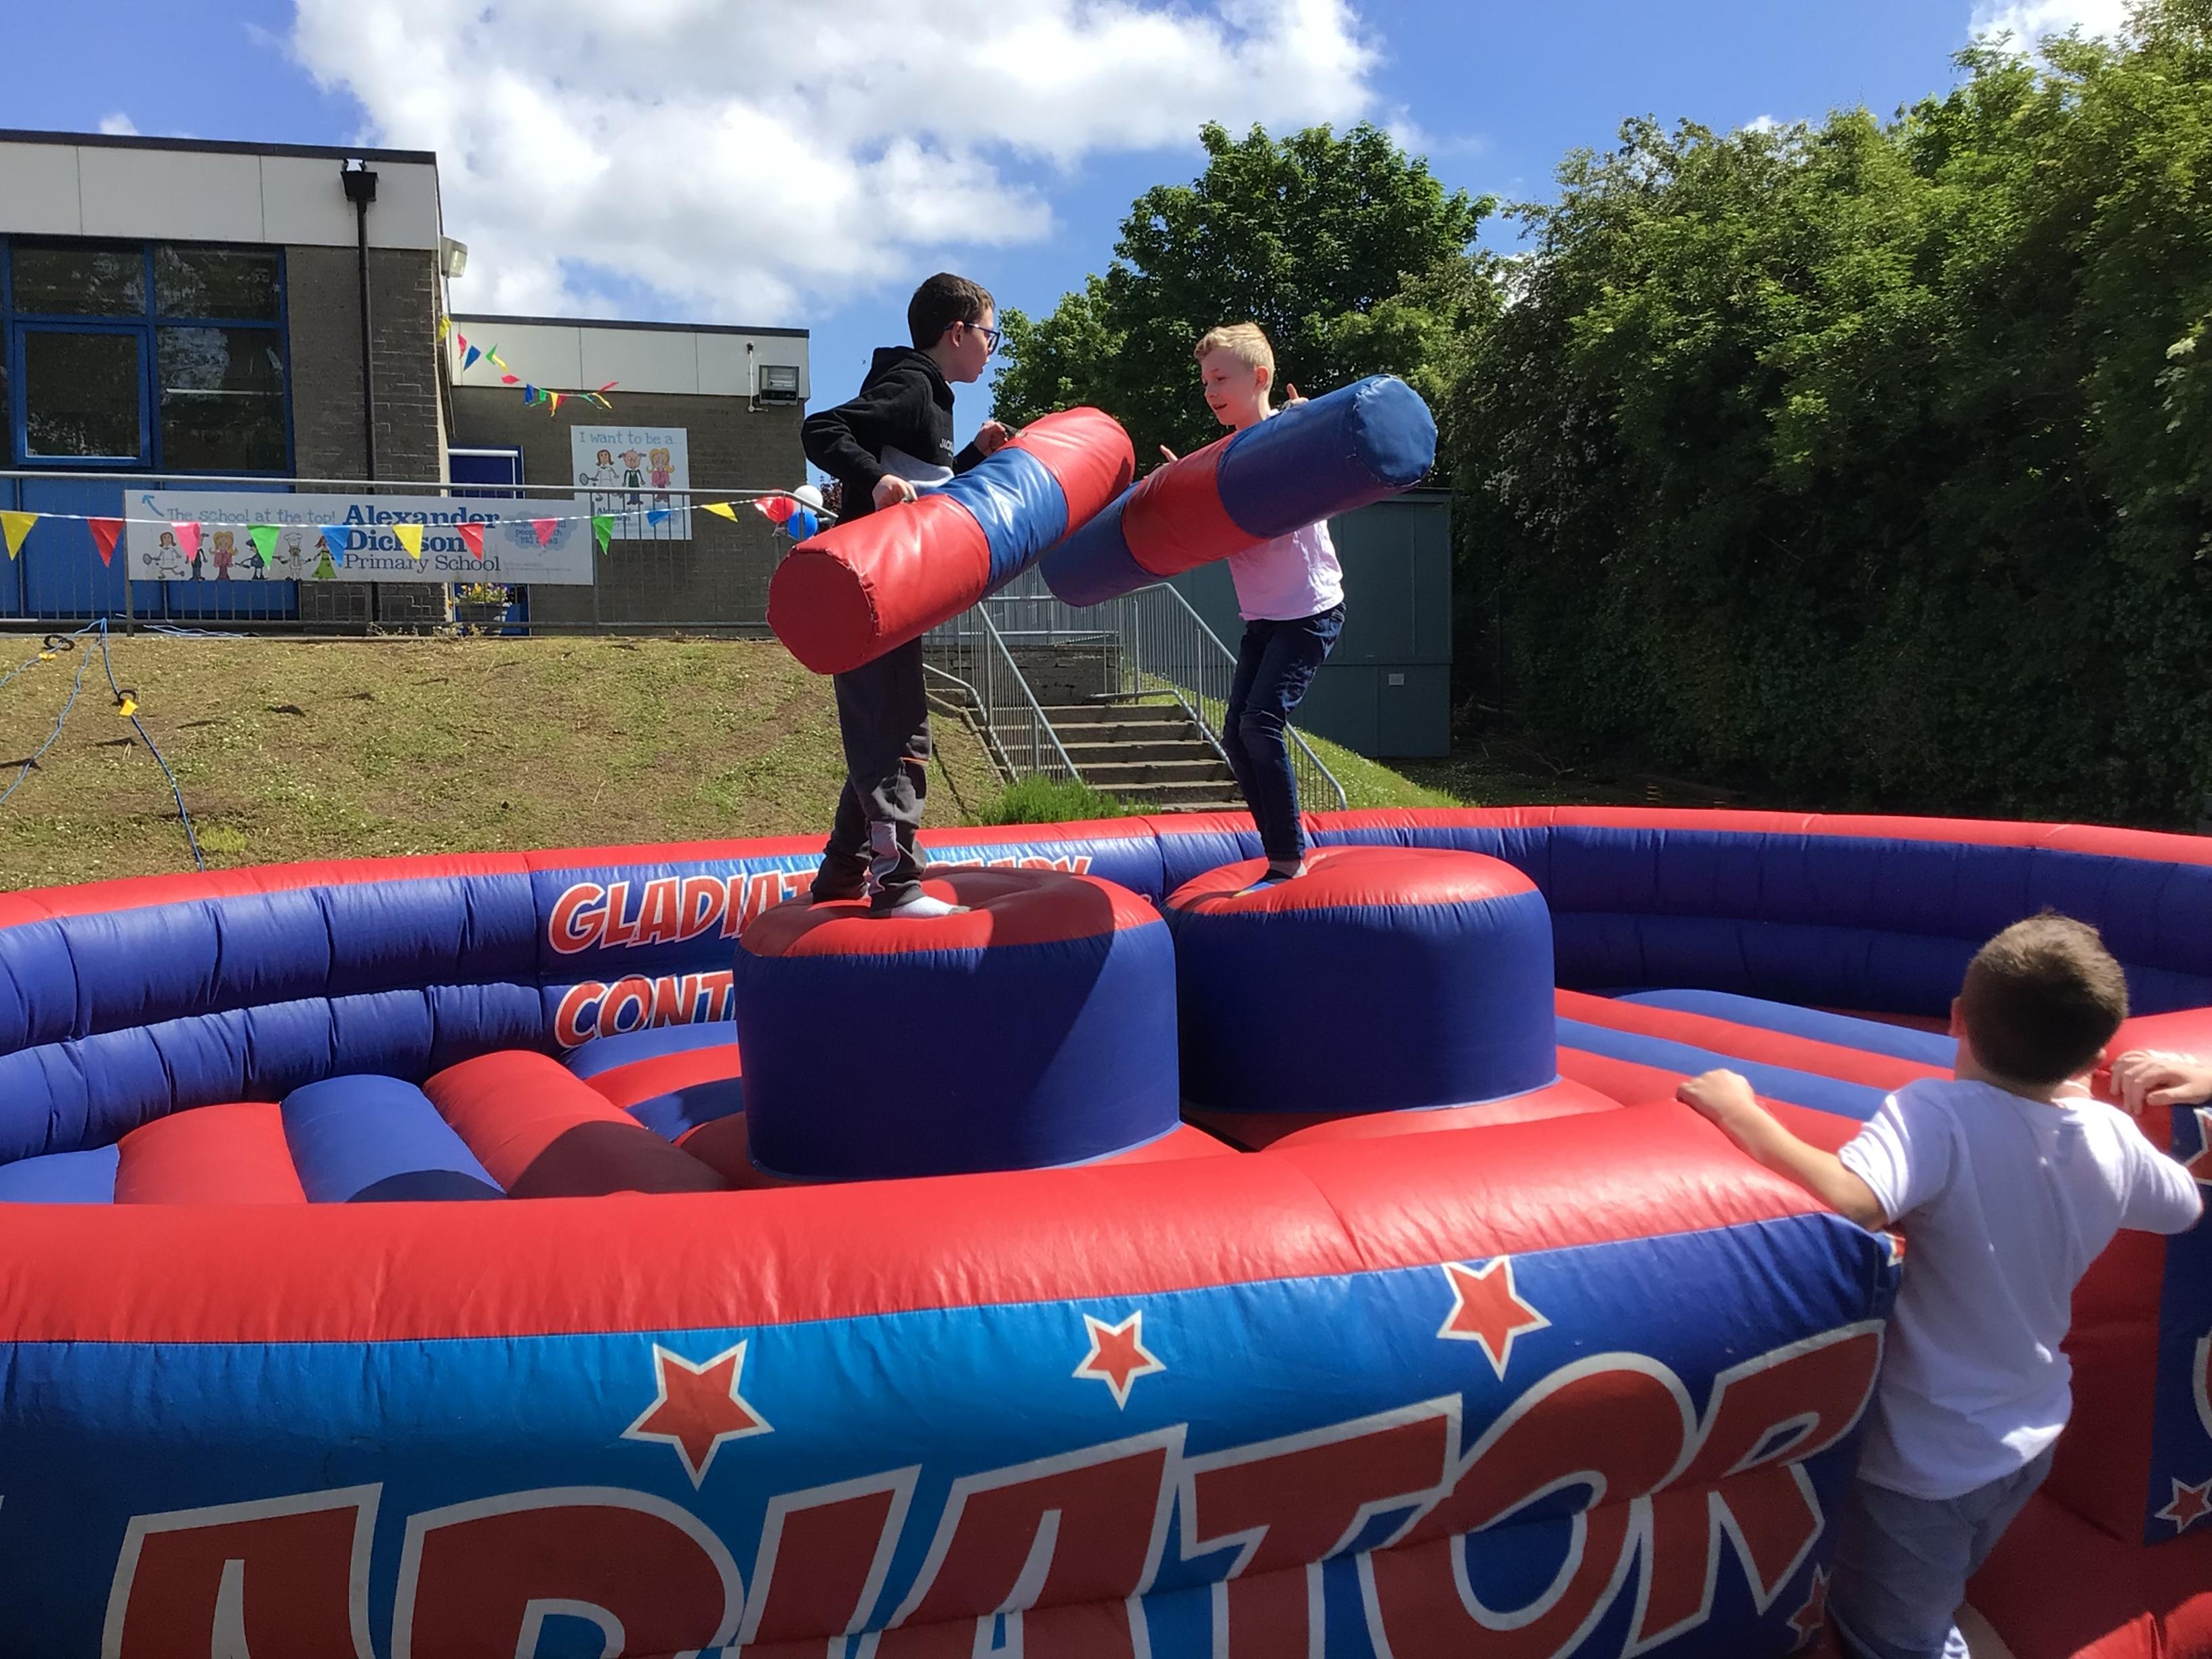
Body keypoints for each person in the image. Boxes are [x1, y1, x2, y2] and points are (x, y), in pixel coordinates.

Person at [1676, 914, 2204, 1659]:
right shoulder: (2109, 1133)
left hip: (1924, 1463)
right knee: (1934, 1588)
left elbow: (1858, 1200)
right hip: (2030, 1434)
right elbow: (2184, 1207)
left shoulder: (1938, 1114)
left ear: (1957, 1017)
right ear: (2094, 1056)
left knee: (1890, 1635)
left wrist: (1743, 1114)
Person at [798, 272, 1011, 916]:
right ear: (958, 332)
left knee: (882, 731)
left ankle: (841, 876)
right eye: (991, 334)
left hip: (888, 598)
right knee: (898, 736)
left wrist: (972, 457)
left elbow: (927, 492)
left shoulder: (935, 399)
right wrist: (874, 479)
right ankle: (895, 887)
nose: (992, 348)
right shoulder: (914, 385)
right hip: (867, 593)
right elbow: (822, 428)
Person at [1169, 323, 1344, 886]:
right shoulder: (1219, 460)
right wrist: (1175, 485)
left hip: (1310, 611)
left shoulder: (1290, 436)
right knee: (1236, 736)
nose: (1210, 391)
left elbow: (1327, 470)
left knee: (1261, 723)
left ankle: (1289, 857)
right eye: (1205, 382)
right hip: (1263, 619)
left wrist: (1310, 424)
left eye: (1220, 379)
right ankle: (1278, 853)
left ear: (1259, 378)